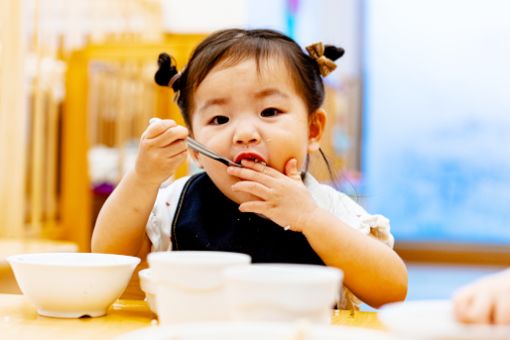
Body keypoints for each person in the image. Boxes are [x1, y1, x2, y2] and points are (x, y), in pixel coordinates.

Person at [91, 28, 407, 309]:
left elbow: (391, 291)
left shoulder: (328, 210)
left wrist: (310, 219)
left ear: (312, 130)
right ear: (195, 148)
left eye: (269, 111)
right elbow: (111, 258)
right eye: (219, 119)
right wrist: (142, 178)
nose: (244, 133)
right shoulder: (176, 202)